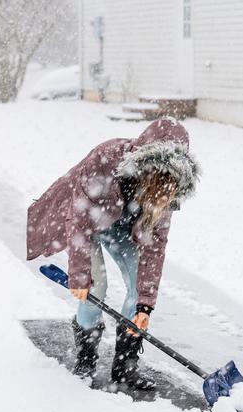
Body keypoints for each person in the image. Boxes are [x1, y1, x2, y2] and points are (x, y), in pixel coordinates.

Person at [26, 117, 200, 390]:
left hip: (126, 231)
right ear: (146, 170)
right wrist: (80, 277)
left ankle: (125, 368)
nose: (161, 196)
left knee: (135, 291)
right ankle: (86, 361)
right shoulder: (105, 160)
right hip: (92, 225)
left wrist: (145, 306)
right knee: (96, 288)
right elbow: (80, 223)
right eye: (155, 188)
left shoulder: (168, 189)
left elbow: (155, 250)